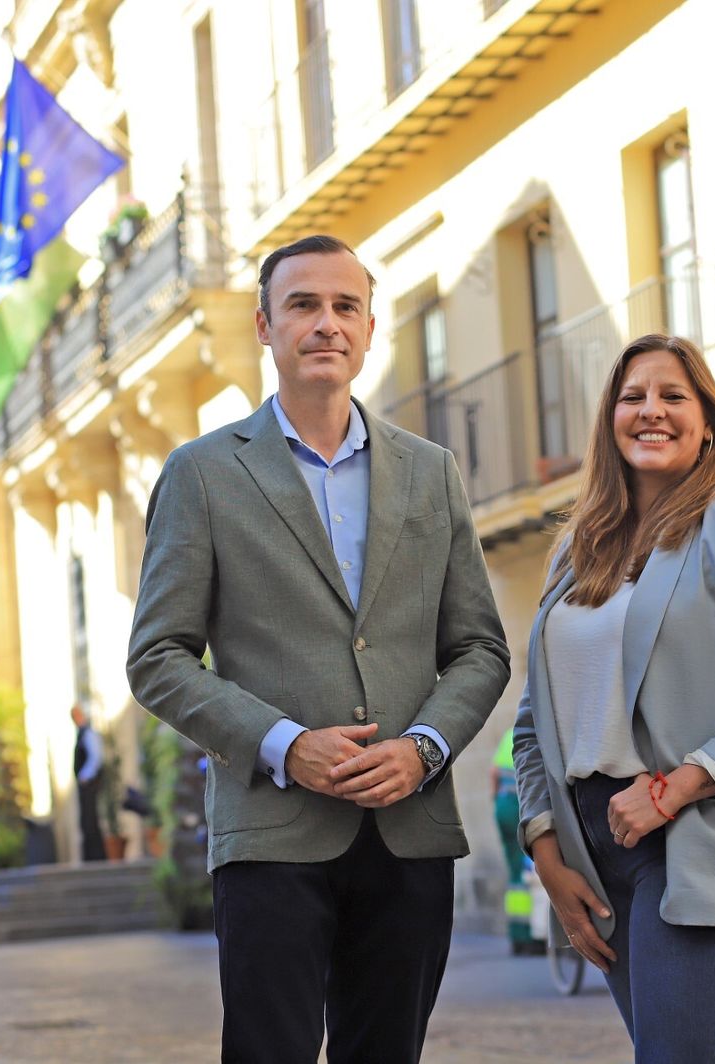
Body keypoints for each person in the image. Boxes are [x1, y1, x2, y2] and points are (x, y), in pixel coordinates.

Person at [126, 234, 510, 1063]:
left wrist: (425, 749)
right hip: (272, 833)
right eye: (303, 304)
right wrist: (285, 745)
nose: (326, 323)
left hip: (409, 829)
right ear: (265, 326)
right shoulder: (201, 474)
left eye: (345, 306)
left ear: (370, 329)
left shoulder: (432, 472)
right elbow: (157, 656)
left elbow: (480, 648)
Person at [512, 334, 715, 1063]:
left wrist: (672, 789)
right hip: (597, 851)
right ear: (609, 421)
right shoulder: (577, 547)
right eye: (633, 397)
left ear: (709, 423)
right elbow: (536, 721)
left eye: (672, 396)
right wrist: (544, 846)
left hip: (703, 836)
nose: (650, 410)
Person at [491, 727, 537, 954]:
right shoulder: (531, 730)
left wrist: (497, 805)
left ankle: (517, 936)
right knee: (529, 869)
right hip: (520, 806)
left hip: (503, 807)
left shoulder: (508, 734)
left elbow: (494, 774)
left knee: (514, 872)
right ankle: (532, 935)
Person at [70, 705, 107, 862]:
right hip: (85, 783)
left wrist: (85, 776)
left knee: (90, 819)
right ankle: (91, 856)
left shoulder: (89, 733)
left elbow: (96, 756)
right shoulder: (81, 734)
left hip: (89, 783)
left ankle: (96, 856)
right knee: (86, 820)